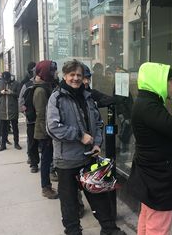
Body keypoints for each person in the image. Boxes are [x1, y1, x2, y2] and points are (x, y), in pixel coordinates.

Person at [47, 59, 125, 235]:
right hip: (66, 160)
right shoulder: (56, 98)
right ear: (64, 76)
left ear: (84, 78)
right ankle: (73, 231)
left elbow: (98, 122)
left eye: (79, 75)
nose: (75, 78)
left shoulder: (87, 97)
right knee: (69, 202)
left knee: (99, 196)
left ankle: (109, 230)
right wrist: (80, 136)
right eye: (72, 75)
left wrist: (97, 142)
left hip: (89, 156)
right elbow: (53, 128)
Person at [127, 62, 172, 235]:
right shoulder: (149, 106)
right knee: (158, 224)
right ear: (158, 81)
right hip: (158, 178)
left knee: (147, 216)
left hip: (151, 175)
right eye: (170, 79)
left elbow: (162, 131)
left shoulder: (146, 102)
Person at [32, 60, 59, 198]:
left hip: (47, 130)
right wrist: (49, 134)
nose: (54, 73)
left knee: (48, 159)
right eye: (52, 71)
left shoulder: (46, 86)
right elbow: (42, 115)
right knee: (46, 160)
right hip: (44, 132)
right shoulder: (41, 90)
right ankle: (46, 187)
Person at [19, 62, 40, 172]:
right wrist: (27, 113)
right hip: (31, 121)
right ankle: (34, 163)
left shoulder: (48, 84)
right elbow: (21, 102)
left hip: (43, 121)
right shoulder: (26, 85)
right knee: (32, 142)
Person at [0, 71, 21, 151]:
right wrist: (0, 92)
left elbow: (19, 94)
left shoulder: (16, 83)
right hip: (2, 108)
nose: (6, 81)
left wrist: (11, 92)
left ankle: (16, 143)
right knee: (3, 128)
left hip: (12, 108)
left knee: (15, 127)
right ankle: (3, 144)